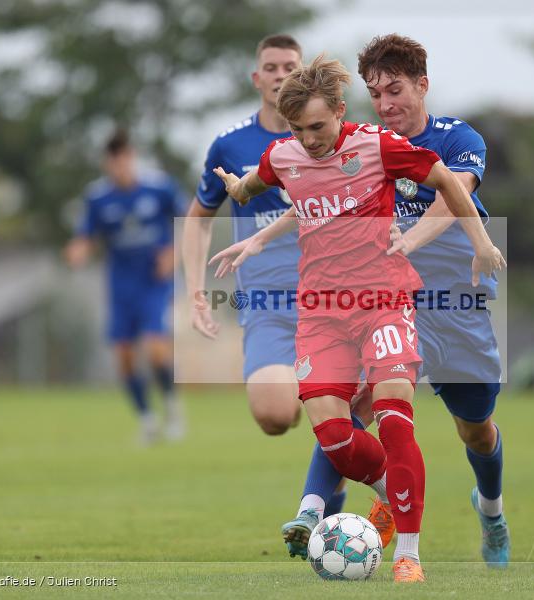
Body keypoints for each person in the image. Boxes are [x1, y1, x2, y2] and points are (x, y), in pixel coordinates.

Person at [210, 55, 504, 582]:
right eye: (298, 129)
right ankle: (394, 493)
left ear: (340, 112)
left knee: (398, 416)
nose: (309, 139)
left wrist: (482, 243)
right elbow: (258, 184)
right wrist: (238, 196)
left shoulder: (378, 145)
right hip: (321, 314)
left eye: (318, 127)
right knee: (337, 438)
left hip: (385, 301)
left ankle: (409, 553)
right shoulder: (284, 155)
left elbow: (446, 180)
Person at [183, 34, 352, 524]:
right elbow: (198, 218)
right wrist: (196, 291)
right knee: (275, 416)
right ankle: (308, 402)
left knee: (337, 418)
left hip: (334, 297)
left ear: (304, 76)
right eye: (271, 67)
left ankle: (322, 516)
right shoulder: (231, 144)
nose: (280, 75)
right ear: (257, 78)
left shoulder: (335, 135)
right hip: (267, 302)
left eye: (289, 66)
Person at [65, 129, 188, 444]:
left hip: (154, 282)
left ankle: (172, 406)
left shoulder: (159, 187)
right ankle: (147, 419)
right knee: (124, 356)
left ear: (131, 157)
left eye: (123, 159)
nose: (119, 166)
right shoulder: (98, 197)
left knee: (156, 348)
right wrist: (79, 250)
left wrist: (173, 253)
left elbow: (189, 219)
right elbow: (85, 234)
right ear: (107, 163)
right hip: (121, 285)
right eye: (113, 161)